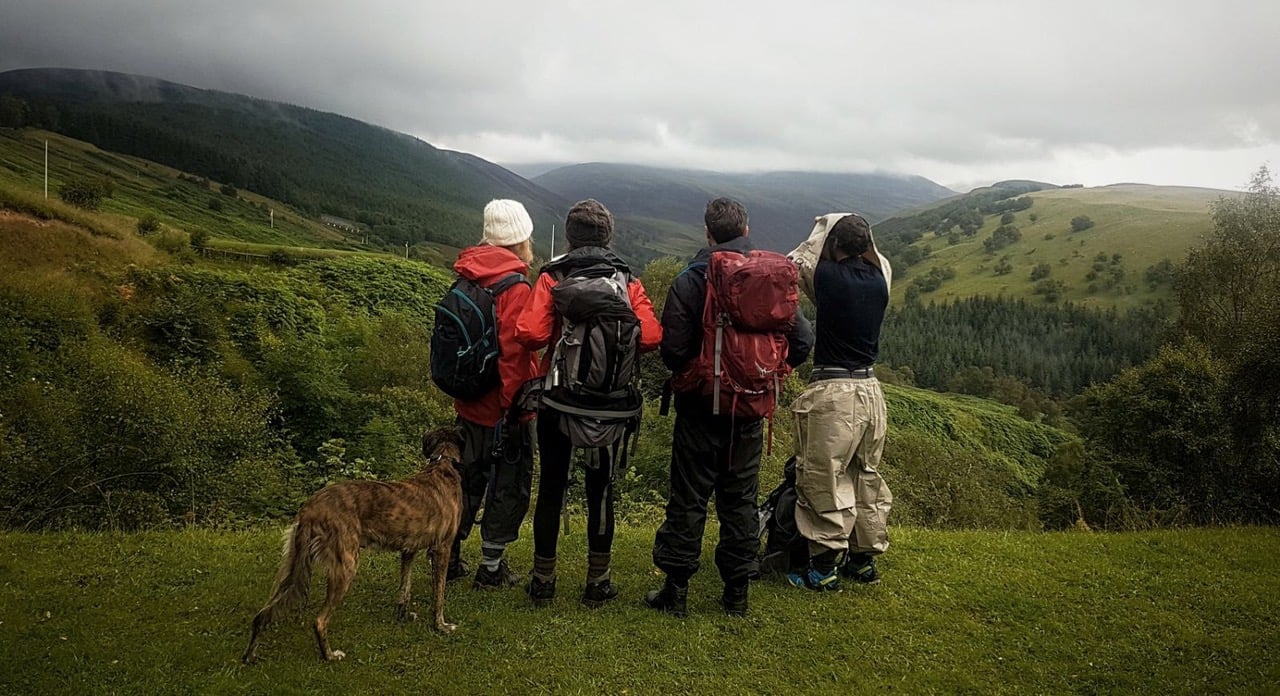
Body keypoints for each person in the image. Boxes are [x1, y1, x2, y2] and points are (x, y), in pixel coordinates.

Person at [646, 197, 813, 617]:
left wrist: (697, 375)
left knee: (687, 497)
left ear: (707, 232)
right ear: (747, 229)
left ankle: (676, 591)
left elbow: (673, 350)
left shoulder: (691, 278)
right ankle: (736, 594)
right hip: (751, 410)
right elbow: (804, 341)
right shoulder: (769, 279)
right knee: (740, 498)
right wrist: (770, 373)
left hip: (699, 407)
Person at [515, 199, 662, 607]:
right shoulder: (626, 280)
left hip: (559, 401)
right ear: (608, 236)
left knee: (552, 486)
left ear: (570, 236)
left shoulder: (553, 277)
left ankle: (543, 580)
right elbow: (650, 337)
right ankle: (598, 582)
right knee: (600, 489)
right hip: (609, 405)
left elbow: (528, 332)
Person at [786, 212, 893, 591]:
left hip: (834, 391)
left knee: (824, 477)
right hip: (871, 390)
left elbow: (795, 260)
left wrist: (822, 227)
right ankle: (863, 560)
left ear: (833, 246)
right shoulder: (882, 279)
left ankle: (824, 566)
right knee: (866, 475)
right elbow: (874, 255)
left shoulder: (826, 277)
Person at [445, 199, 541, 589]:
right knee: (508, 486)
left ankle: (448, 557)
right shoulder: (514, 286)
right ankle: (491, 567)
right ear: (520, 239)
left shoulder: (466, 275)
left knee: (464, 483)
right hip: (504, 409)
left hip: (468, 405)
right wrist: (517, 412)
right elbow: (514, 357)